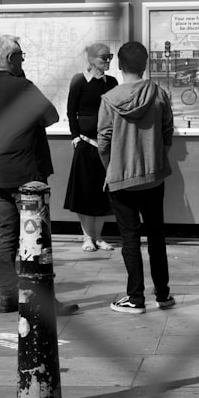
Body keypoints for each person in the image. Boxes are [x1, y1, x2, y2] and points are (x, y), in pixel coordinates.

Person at [0, 35, 78, 315]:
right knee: (37, 236)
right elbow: (51, 116)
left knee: (6, 235)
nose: (24, 59)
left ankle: (7, 296)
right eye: (21, 55)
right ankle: (42, 299)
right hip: (27, 172)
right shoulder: (22, 86)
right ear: (11, 58)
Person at [97, 41, 175, 314]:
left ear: (119, 65)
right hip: (153, 177)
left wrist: (110, 167)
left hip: (121, 177)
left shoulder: (109, 99)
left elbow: (104, 140)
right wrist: (156, 159)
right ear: (145, 65)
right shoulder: (159, 94)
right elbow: (167, 134)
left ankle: (135, 297)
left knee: (129, 239)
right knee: (156, 235)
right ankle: (163, 294)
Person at [64, 43, 118, 252]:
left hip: (106, 144)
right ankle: (87, 236)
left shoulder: (111, 82)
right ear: (91, 59)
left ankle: (99, 236)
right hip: (86, 143)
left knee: (102, 192)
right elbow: (71, 111)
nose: (107, 61)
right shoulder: (79, 81)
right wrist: (76, 137)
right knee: (85, 191)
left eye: (110, 57)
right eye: (104, 57)